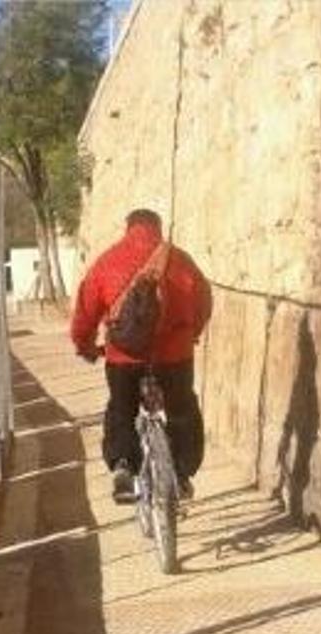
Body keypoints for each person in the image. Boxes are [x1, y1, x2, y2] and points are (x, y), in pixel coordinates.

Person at [70, 209, 212, 503]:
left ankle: (123, 464)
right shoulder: (181, 261)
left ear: (129, 228)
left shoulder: (108, 261)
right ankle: (182, 473)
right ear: (157, 229)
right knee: (182, 408)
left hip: (125, 357)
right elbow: (203, 301)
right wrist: (192, 333)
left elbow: (86, 309)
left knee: (121, 408)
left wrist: (85, 346)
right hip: (175, 357)